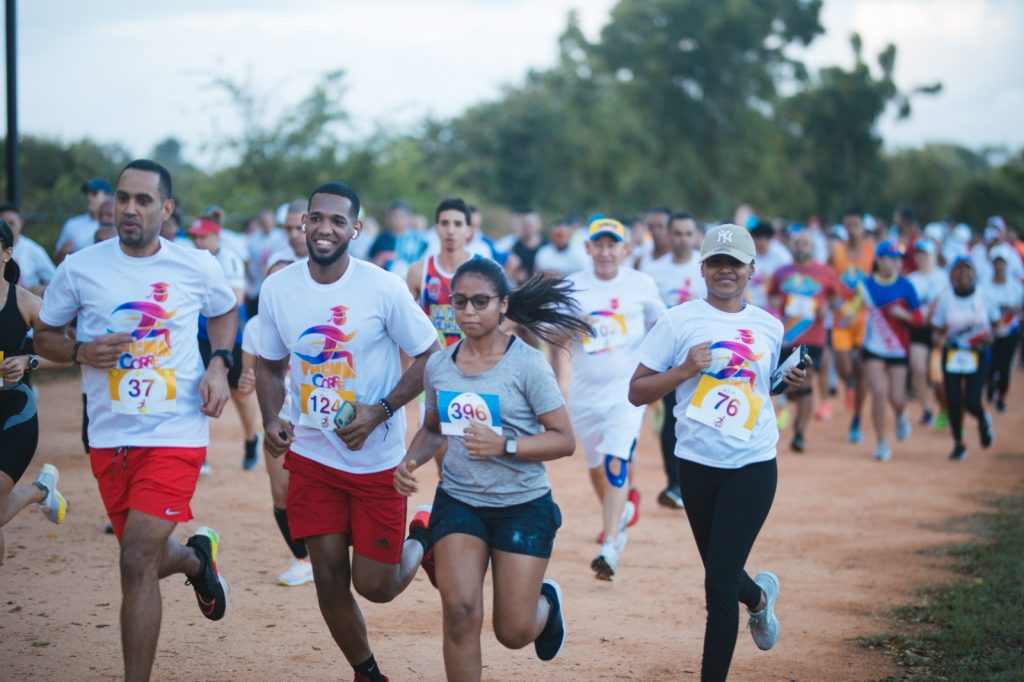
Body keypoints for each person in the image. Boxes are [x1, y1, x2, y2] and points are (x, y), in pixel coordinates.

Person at [34, 160, 237, 682]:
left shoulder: (196, 265)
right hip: (108, 435)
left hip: (175, 431)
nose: (128, 208)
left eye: (143, 200)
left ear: (166, 209)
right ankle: (196, 561)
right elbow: (45, 337)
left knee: (134, 560)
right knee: (141, 555)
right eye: (122, 198)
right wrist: (81, 350)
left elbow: (224, 312)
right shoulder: (80, 268)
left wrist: (219, 361)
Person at [255, 182, 440, 682]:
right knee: (329, 577)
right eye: (317, 218)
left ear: (356, 229)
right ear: (303, 224)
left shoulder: (382, 286)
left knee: (376, 586)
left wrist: (380, 411)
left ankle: (422, 536)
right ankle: (367, 672)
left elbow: (431, 354)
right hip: (313, 457)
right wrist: (272, 419)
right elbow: (269, 366)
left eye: (338, 221)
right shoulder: (278, 289)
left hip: (376, 458)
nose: (325, 228)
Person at [393, 257, 590, 678]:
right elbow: (432, 430)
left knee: (514, 631)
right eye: (459, 302)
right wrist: (409, 461)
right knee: (460, 612)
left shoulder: (528, 364)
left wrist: (507, 445)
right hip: (460, 500)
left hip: (523, 505)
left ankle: (546, 603)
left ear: (502, 305)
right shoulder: (439, 366)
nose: (468, 312)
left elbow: (564, 439)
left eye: (480, 302)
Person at [628, 223, 807, 682]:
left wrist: (785, 382)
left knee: (718, 585)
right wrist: (685, 368)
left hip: (752, 465)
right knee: (721, 573)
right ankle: (761, 599)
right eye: (716, 263)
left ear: (751, 269)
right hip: (697, 464)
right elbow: (637, 392)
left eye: (734, 264)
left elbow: (760, 388)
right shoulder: (677, 320)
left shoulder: (769, 325)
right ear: (702, 268)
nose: (725, 271)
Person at [566, 218, 664, 579]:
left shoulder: (641, 285)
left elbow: (662, 326)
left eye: (613, 245)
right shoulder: (573, 286)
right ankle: (616, 514)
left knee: (615, 460)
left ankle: (609, 546)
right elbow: (555, 333)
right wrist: (573, 321)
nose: (605, 252)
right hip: (583, 395)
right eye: (599, 245)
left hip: (625, 395)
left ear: (625, 250)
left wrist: (656, 373)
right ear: (588, 248)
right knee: (595, 466)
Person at [1, 220, 67, 568]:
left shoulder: (25, 302)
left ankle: (39, 491)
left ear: (7, 252)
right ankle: (42, 490)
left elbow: (66, 351)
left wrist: (28, 361)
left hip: (14, 413)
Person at [642, 212, 706, 508]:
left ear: (695, 236)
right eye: (676, 233)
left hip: (705, 355)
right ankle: (675, 485)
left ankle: (703, 480)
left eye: (687, 233)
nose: (682, 239)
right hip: (669, 357)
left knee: (702, 416)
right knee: (672, 418)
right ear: (667, 234)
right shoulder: (653, 269)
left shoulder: (704, 268)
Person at [188, 217, 261, 471]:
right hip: (199, 334)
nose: (198, 241)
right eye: (195, 236)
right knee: (198, 389)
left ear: (216, 236)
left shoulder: (228, 258)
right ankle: (200, 453)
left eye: (203, 236)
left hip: (232, 335)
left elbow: (236, 299)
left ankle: (252, 439)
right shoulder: (190, 258)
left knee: (240, 393)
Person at [767, 230, 844, 453]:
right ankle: (794, 410)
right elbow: (771, 296)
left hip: (814, 336)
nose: (801, 247)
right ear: (792, 247)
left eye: (806, 243)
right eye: (797, 243)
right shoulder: (781, 272)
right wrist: (777, 304)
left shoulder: (826, 272)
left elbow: (836, 300)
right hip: (787, 335)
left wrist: (826, 309)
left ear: (813, 247)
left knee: (806, 380)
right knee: (789, 385)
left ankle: (800, 433)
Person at [856, 240, 924, 461]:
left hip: (897, 349)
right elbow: (852, 308)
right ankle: (882, 443)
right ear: (879, 260)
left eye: (898, 259)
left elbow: (919, 318)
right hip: (873, 347)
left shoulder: (906, 285)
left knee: (896, 397)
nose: (895, 263)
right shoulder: (865, 285)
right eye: (890, 258)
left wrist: (903, 316)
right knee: (878, 392)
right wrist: (847, 314)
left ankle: (901, 413)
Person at [932, 256, 994, 460]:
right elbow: (937, 328)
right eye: (958, 270)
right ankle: (959, 443)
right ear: (952, 274)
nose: (963, 274)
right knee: (953, 399)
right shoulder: (945, 298)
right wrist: (941, 339)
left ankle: (982, 419)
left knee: (971, 401)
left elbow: (997, 327)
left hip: (978, 355)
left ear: (974, 273)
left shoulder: (984, 297)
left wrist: (987, 338)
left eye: (967, 270)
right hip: (952, 355)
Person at [407, 197, 480, 349]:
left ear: (469, 230)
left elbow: (501, 318)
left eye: (458, 224)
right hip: (433, 363)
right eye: (445, 223)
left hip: (472, 361)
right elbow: (404, 323)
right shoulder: (419, 271)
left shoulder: (483, 269)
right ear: (436, 227)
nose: (450, 230)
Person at [830, 209, 876, 442]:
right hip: (842, 317)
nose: (851, 229)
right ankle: (848, 386)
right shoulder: (836, 252)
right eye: (848, 224)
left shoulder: (872, 251)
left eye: (855, 224)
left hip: (865, 319)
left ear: (862, 227)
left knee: (861, 371)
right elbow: (829, 278)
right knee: (844, 368)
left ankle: (856, 419)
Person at [906, 240, 949, 425]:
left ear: (934, 255)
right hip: (918, 329)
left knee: (938, 377)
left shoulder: (944, 278)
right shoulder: (911, 280)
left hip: (939, 331)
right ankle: (926, 409)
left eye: (926, 254)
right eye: (919, 254)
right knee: (918, 369)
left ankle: (945, 407)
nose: (922, 258)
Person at [984, 252, 1023, 412]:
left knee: (1005, 366)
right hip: (990, 333)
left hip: (1010, 332)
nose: (999, 267)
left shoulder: (1016, 287)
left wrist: (1013, 311)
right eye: (996, 263)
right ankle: (991, 387)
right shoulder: (985, 285)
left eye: (1002, 263)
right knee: (990, 366)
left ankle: (1001, 398)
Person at [0, 205, 56, 296]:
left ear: (21, 223)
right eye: (3, 224)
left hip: (25, 305)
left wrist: (42, 288)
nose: (7, 228)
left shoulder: (34, 250)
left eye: (12, 223)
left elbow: (56, 279)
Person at [54, 178, 111, 263]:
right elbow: (57, 258)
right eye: (86, 194)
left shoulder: (118, 225)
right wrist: (63, 252)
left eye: (94, 193)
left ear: (107, 196)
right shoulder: (72, 224)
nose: (89, 198)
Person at [368, 201, 427, 278]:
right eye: (393, 216)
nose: (396, 220)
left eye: (400, 216)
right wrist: (380, 259)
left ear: (408, 218)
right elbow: (369, 261)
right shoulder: (381, 238)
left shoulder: (419, 241)